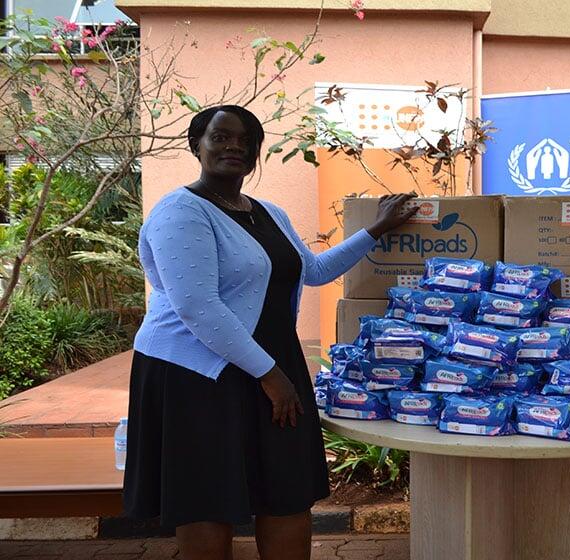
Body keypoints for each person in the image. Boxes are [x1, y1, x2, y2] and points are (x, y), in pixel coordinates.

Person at [123, 104, 417, 560]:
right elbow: (197, 307)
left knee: (286, 487)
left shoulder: (268, 212)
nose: (234, 146)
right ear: (195, 145)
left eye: (245, 139)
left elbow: (313, 270)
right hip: (196, 372)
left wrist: (377, 230)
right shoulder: (180, 212)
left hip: (269, 361)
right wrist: (271, 375)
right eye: (220, 137)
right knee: (205, 497)